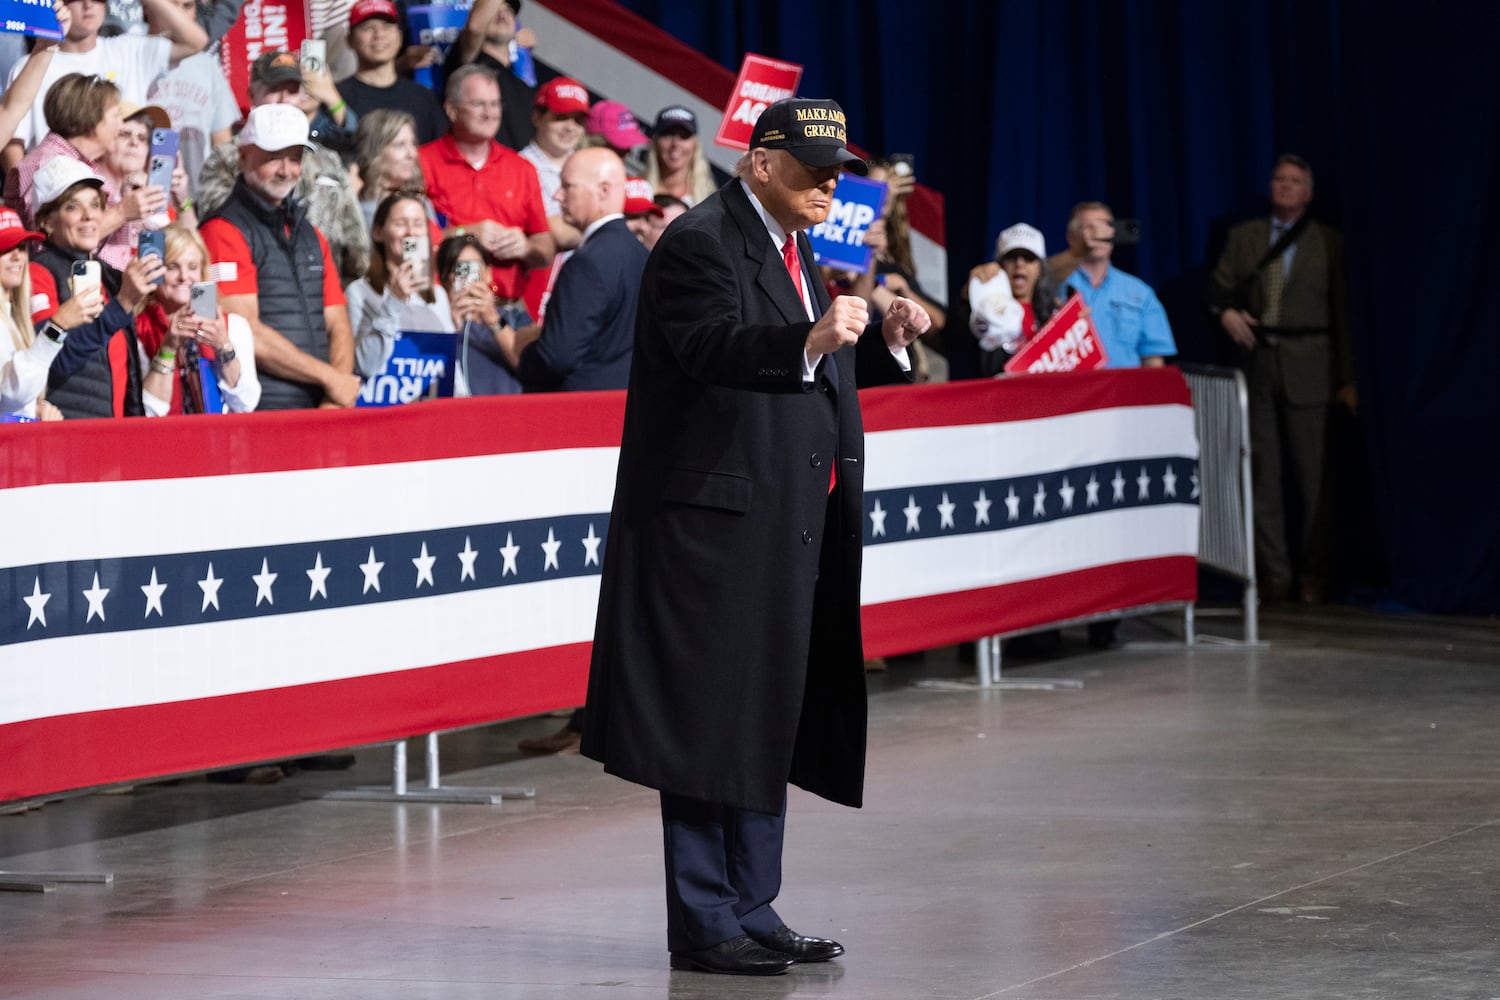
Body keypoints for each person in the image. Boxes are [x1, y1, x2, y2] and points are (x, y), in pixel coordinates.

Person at [580, 97, 929, 976]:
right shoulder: (699, 241)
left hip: (782, 517)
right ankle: (703, 919)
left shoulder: (791, 243)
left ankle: (752, 903)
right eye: (815, 167)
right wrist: (808, 337)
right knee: (707, 717)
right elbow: (714, 347)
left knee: (766, 706)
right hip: (710, 527)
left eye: (838, 169)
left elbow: (810, 362)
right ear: (761, 162)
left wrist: (879, 343)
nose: (830, 184)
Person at [1208, 154, 1352, 606]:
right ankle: (1274, 572)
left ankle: (1314, 573)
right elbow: (1217, 290)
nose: (1285, 186)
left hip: (1312, 365)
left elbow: (1345, 316)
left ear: (1309, 193)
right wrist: (1227, 313)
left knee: (1314, 479)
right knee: (1262, 473)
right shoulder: (1244, 237)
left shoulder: (1328, 242)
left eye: (1295, 182)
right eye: (1279, 179)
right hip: (1258, 365)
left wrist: (1347, 378)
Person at [199, 104, 359, 411]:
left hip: (321, 409)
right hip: (265, 413)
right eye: (273, 158)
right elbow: (244, 332)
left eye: (295, 158)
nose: (286, 170)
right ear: (243, 157)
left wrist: (333, 398)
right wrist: (331, 378)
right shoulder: (222, 231)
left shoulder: (311, 234)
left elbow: (338, 321)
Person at [197, 51, 370, 285]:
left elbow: (356, 244)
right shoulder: (228, 157)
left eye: (292, 91)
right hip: (256, 289)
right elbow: (216, 226)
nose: (283, 99)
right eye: (273, 90)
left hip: (325, 294)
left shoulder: (327, 160)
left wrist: (338, 294)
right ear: (252, 95)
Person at [28, 158, 163, 418]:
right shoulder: (38, 273)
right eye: (72, 207)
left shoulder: (111, 277)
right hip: (67, 429)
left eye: (95, 204)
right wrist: (122, 304)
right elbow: (48, 363)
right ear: (45, 222)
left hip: (112, 434)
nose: (89, 215)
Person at [0, 0, 206, 168]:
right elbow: (11, 131)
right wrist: (26, 201)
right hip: (60, 198)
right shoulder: (32, 66)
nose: (88, 4)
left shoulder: (129, 49)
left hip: (125, 189)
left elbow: (195, 41)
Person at [419, 65, 553, 308]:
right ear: (452, 110)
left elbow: (545, 249)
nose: (490, 113)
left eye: (495, 104)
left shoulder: (522, 169)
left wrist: (526, 246)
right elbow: (406, 241)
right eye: (479, 104)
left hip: (506, 308)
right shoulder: (421, 162)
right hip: (443, 305)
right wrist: (464, 234)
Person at [3, 75, 169, 268]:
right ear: (91, 118)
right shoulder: (48, 164)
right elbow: (48, 243)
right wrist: (122, 212)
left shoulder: (82, 162)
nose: (120, 124)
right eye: (115, 116)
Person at [135, 222, 260, 415]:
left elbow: (246, 404)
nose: (184, 276)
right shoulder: (137, 329)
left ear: (202, 272)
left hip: (219, 440)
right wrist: (167, 349)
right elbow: (148, 413)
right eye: (172, 267)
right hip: (165, 440)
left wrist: (223, 346)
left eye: (192, 267)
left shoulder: (233, 325)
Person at [348, 192, 455, 381]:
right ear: (378, 232)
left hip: (429, 405)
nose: (411, 232)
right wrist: (395, 301)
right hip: (382, 405)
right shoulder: (358, 292)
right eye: (400, 223)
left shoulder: (438, 295)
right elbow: (365, 366)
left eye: (418, 224)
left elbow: (447, 364)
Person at [1054, 201, 1176, 368]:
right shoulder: (1054, 282)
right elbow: (1040, 275)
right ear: (1071, 236)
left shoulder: (1139, 291)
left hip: (1124, 390)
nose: (1099, 234)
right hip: (1071, 388)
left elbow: (1153, 359)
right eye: (1089, 228)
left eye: (1105, 227)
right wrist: (1080, 251)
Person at [144, 0, 240, 199]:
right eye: (171, 6)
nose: (178, 14)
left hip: (197, 201)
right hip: (143, 196)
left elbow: (222, 145)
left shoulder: (207, 66)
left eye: (187, 6)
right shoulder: (130, 54)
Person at [337, 0, 448, 145]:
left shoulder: (423, 97)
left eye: (387, 26)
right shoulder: (337, 97)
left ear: (400, 37)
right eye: (368, 28)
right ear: (349, 40)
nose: (379, 35)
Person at [435, 233, 522, 396]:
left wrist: (492, 319)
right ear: (446, 279)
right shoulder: (436, 322)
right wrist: (450, 327)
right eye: (460, 269)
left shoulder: (514, 317)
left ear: (488, 273)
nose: (468, 277)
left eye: (473, 268)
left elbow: (528, 364)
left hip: (502, 414)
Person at [969, 222, 1061, 376]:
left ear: (1039, 267)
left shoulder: (1052, 313)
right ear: (1000, 266)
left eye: (1028, 258)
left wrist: (1078, 324)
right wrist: (968, 293)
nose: (1019, 264)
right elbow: (955, 338)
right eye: (1011, 258)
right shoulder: (981, 310)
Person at [441, 0, 535, 151]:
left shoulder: (524, 85)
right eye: (495, 9)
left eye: (509, 10)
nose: (503, 13)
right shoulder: (469, 65)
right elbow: (475, 28)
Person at [0, 208, 64, 421]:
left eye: (21, 246)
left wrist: (35, 411)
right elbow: (10, 396)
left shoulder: (16, 316)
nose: (18, 255)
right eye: (5, 248)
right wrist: (57, 327)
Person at [517, 76, 590, 252]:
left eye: (578, 120)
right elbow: (559, 233)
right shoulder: (519, 166)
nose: (570, 127)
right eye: (561, 117)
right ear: (537, 117)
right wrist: (599, 237)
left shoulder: (589, 165)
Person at [353, 109, 426, 230]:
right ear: (375, 152)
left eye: (413, 143)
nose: (412, 154)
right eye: (400, 145)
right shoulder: (362, 211)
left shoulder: (422, 202)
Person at [642, 104, 715, 206]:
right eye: (667, 135)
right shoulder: (637, 190)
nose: (675, 144)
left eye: (684, 136)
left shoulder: (709, 201)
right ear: (655, 142)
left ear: (695, 145)